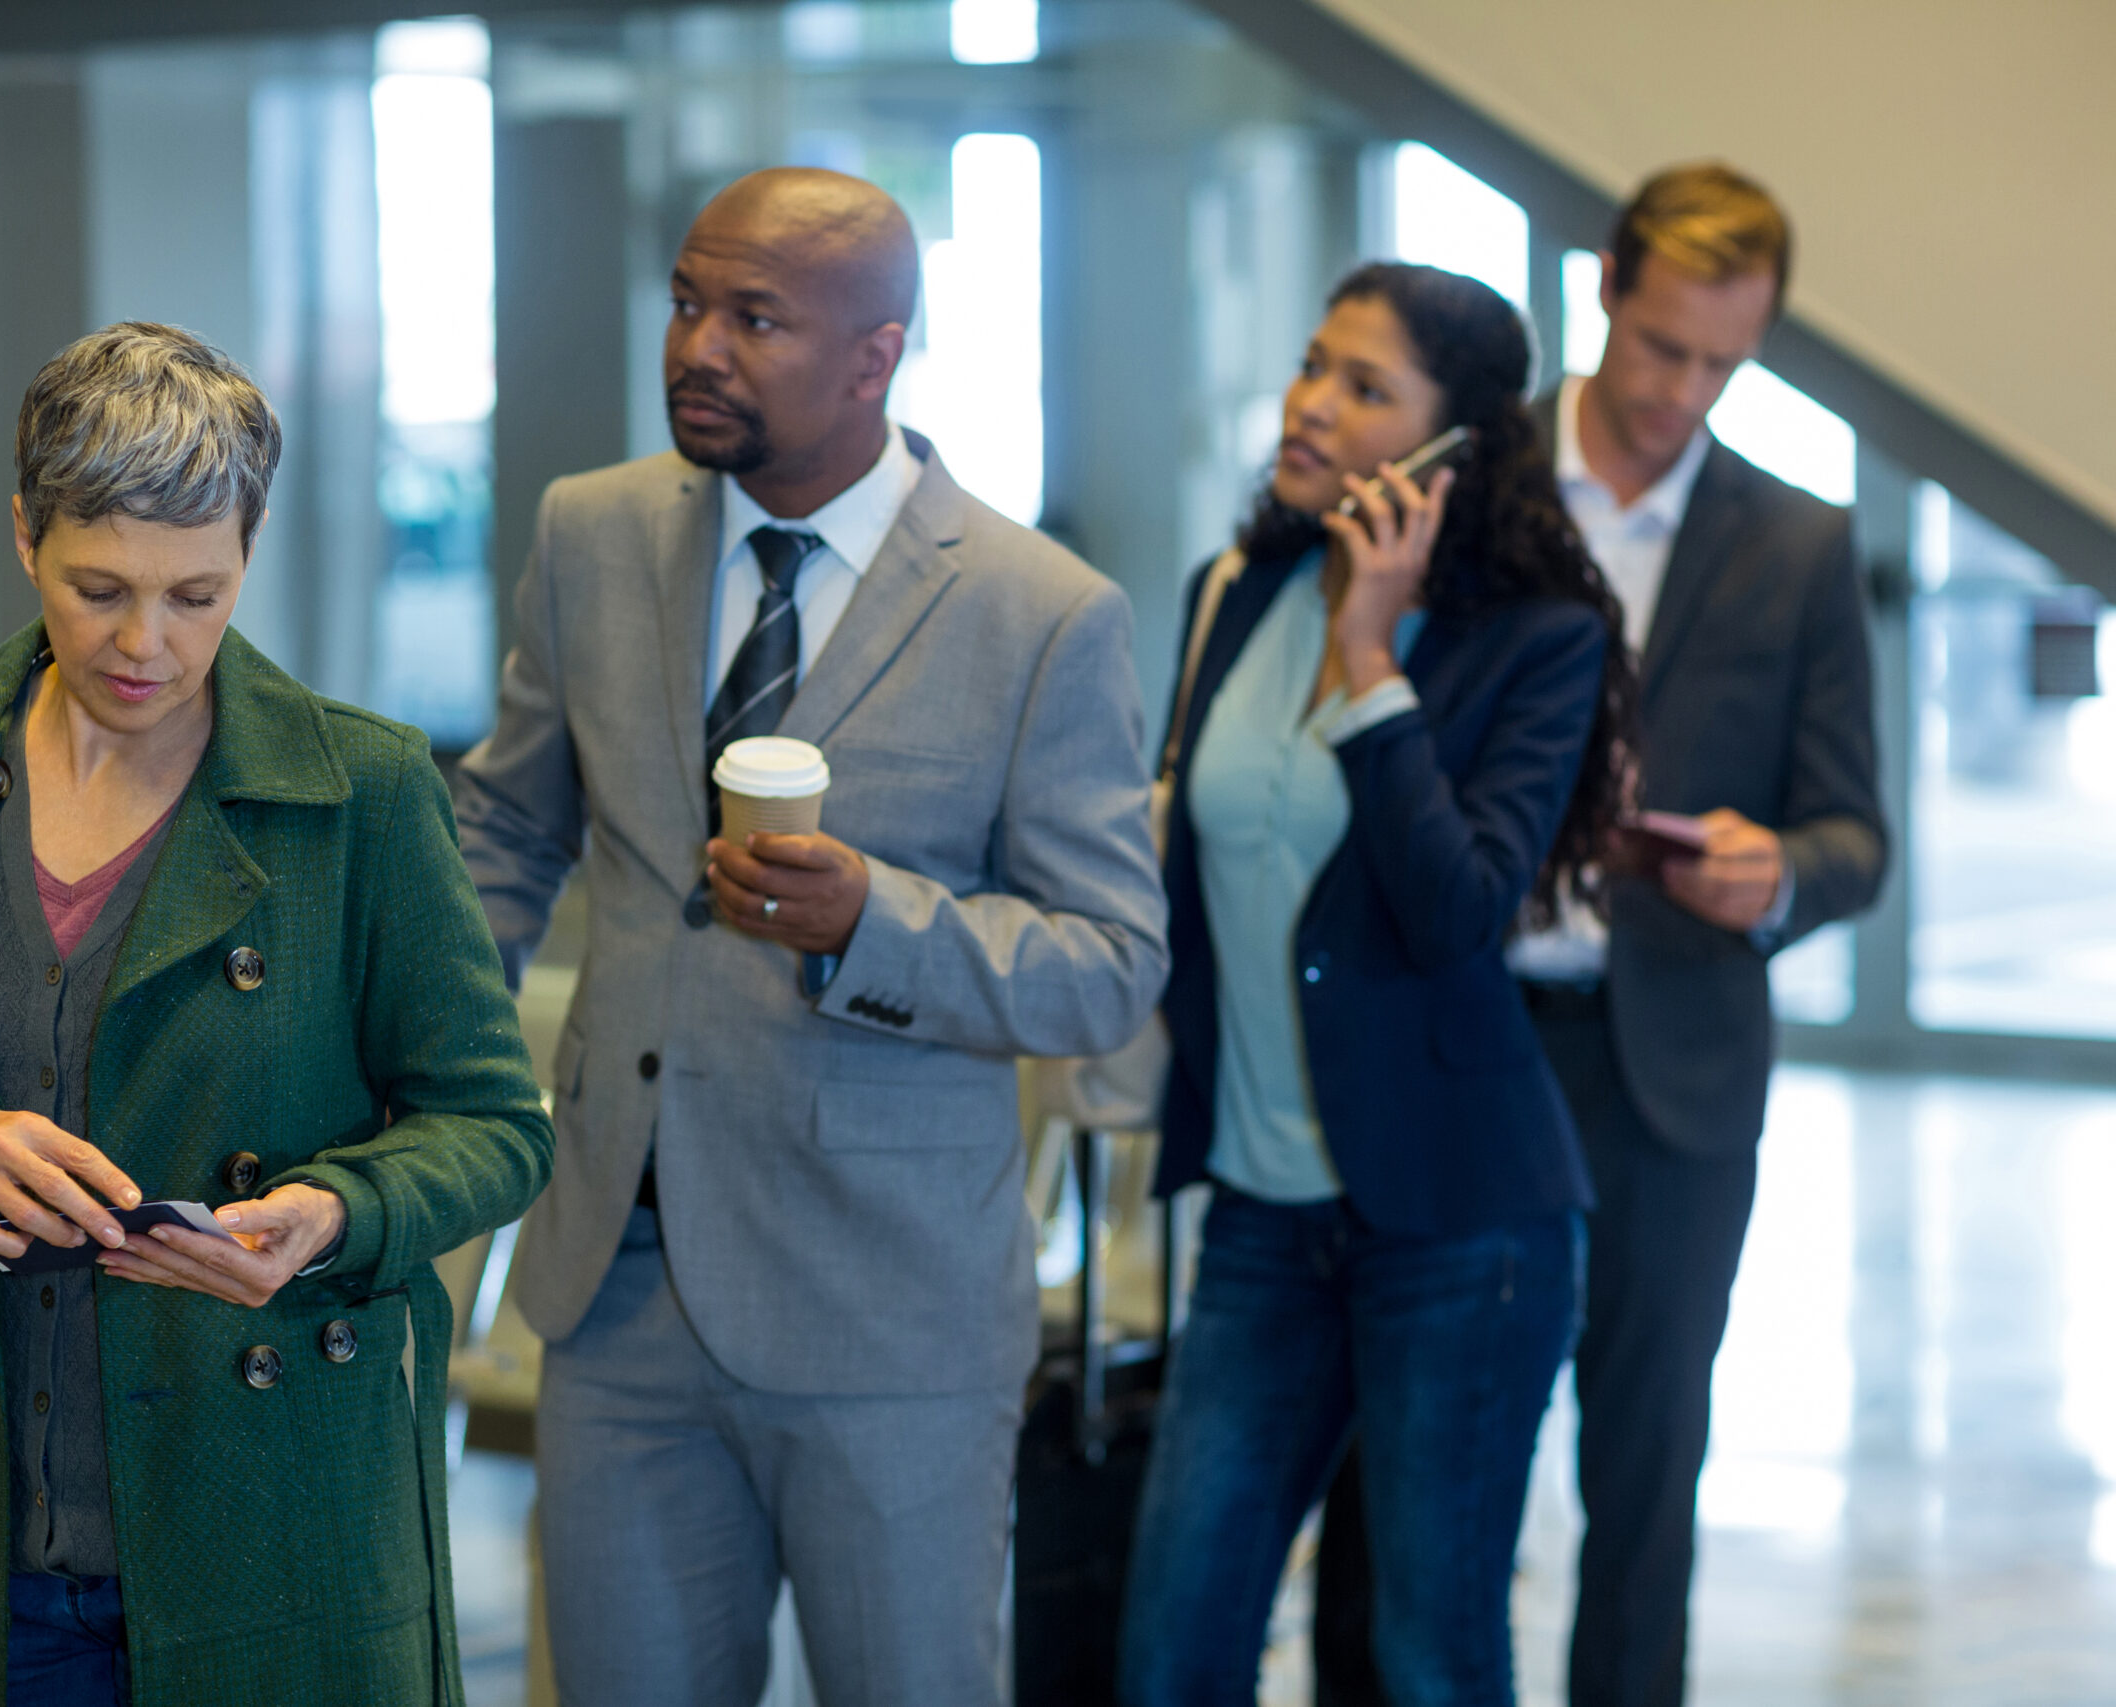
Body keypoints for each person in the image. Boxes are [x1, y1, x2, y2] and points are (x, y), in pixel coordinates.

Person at [0, 323, 553, 1707]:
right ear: (22, 534)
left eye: (197, 594)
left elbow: (492, 1124)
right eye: (97, 587)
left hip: (278, 1529)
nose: (144, 645)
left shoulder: (363, 790)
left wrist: (335, 1216)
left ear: (252, 547)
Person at [452, 167, 1167, 1706]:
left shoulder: (1044, 613)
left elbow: (1111, 959)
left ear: (875, 354)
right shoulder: (591, 532)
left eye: (753, 317)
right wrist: (417, 1039)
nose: (698, 345)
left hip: (888, 1313)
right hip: (616, 1288)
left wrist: (873, 927)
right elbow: (509, 827)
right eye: (688, 303)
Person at [1310, 165, 1887, 1707]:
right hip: (1453, 1032)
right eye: (1661, 350)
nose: (1682, 394)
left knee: (1645, 1477)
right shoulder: (1460, 477)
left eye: (1724, 365)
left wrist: (1784, 875)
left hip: (1668, 1072)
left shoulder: (1797, 545)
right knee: (1406, 1470)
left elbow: (1855, 837)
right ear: (1610, 291)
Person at [1117, 262, 1636, 1707]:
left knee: (1433, 1655)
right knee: (1172, 1648)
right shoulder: (1235, 587)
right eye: (1310, 365)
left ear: (1456, 444)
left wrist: (1368, 653)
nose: (1310, 404)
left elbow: (1459, 909)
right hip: (1260, 1217)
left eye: (1365, 387)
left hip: (1463, 1228)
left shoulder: (1538, 642)